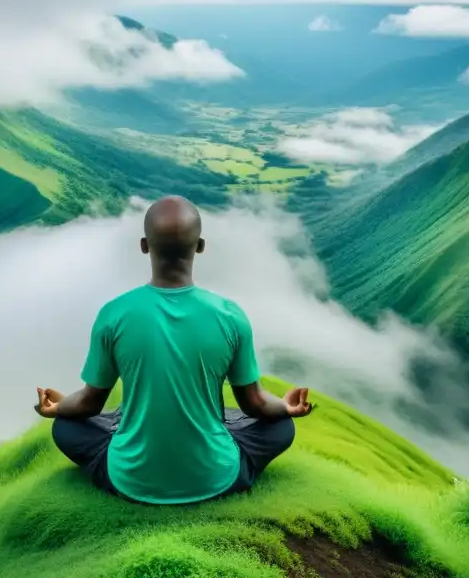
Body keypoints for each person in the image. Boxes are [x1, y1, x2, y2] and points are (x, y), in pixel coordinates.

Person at [34, 195, 314, 505]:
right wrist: (286, 408)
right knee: (281, 428)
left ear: (144, 245)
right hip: (218, 475)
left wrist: (58, 408)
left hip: (130, 477)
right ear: (200, 246)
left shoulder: (113, 314)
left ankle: (130, 452)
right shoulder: (231, 316)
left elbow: (89, 404)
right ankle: (217, 466)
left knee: (66, 428)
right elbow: (256, 405)